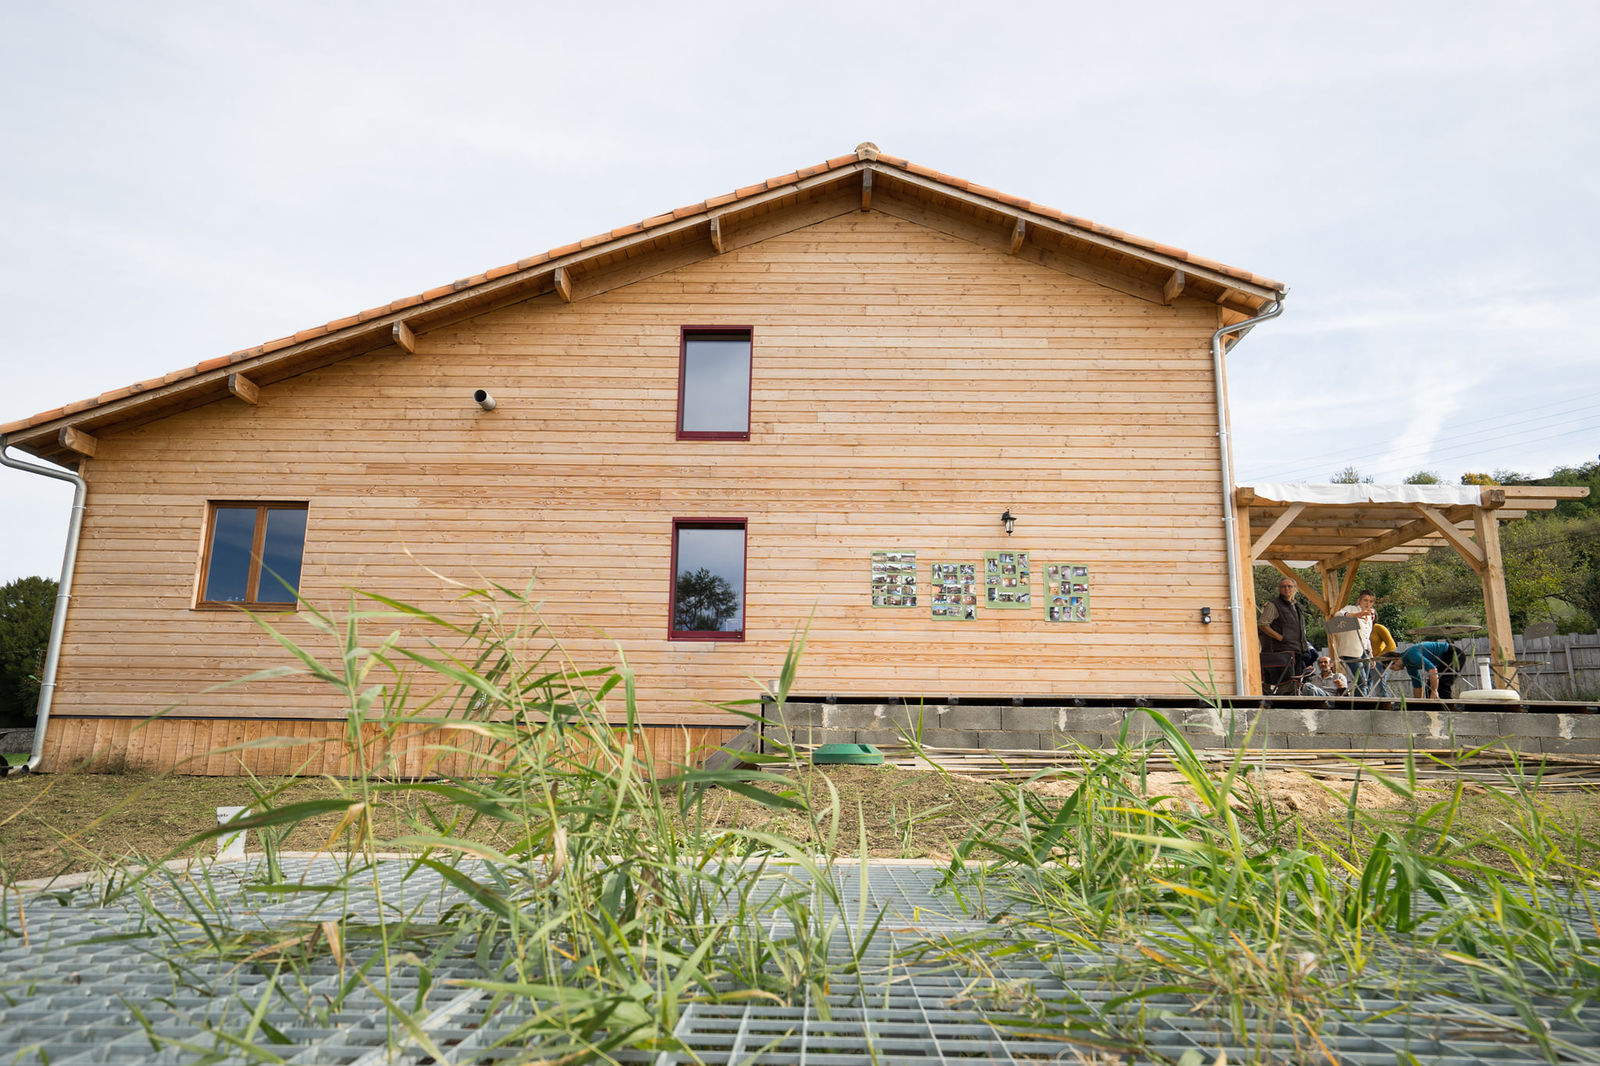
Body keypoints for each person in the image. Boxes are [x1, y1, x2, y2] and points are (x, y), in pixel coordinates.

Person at [1259, 578, 1311, 690]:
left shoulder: (1297, 606)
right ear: (1279, 589)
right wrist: (1281, 638)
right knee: (1284, 686)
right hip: (1281, 653)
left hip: (1297, 651)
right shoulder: (1273, 605)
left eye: (1289, 586)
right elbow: (1263, 624)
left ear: (1295, 589)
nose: (1286, 588)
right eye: (1283, 586)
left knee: (1295, 684)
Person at [1330, 590, 1379, 695]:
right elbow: (1338, 615)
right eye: (1365, 600)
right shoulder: (1351, 609)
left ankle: (1360, 701)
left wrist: (1371, 653)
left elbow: (1367, 637)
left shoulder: (1370, 616)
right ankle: (1362, 703)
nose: (1368, 603)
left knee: (1365, 681)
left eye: (1370, 601)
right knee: (1362, 679)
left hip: (1364, 651)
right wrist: (1357, 614)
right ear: (1359, 600)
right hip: (1351, 650)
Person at [1383, 641, 1464, 699]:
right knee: (1429, 688)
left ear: (1395, 661)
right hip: (1443, 659)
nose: (1395, 670)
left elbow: (1432, 670)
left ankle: (1449, 711)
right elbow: (1417, 685)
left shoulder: (1411, 655)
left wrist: (1434, 691)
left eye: (1392, 668)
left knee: (1441, 685)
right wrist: (1418, 704)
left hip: (1453, 654)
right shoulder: (1408, 664)